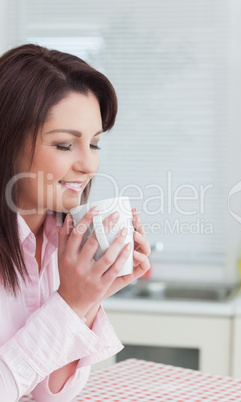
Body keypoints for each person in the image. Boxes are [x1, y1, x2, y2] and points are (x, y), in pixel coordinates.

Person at [0, 43, 151, 401]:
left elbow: (48, 395)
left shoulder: (62, 243)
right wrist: (69, 304)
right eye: (66, 145)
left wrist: (87, 299)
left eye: (95, 144)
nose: (88, 165)